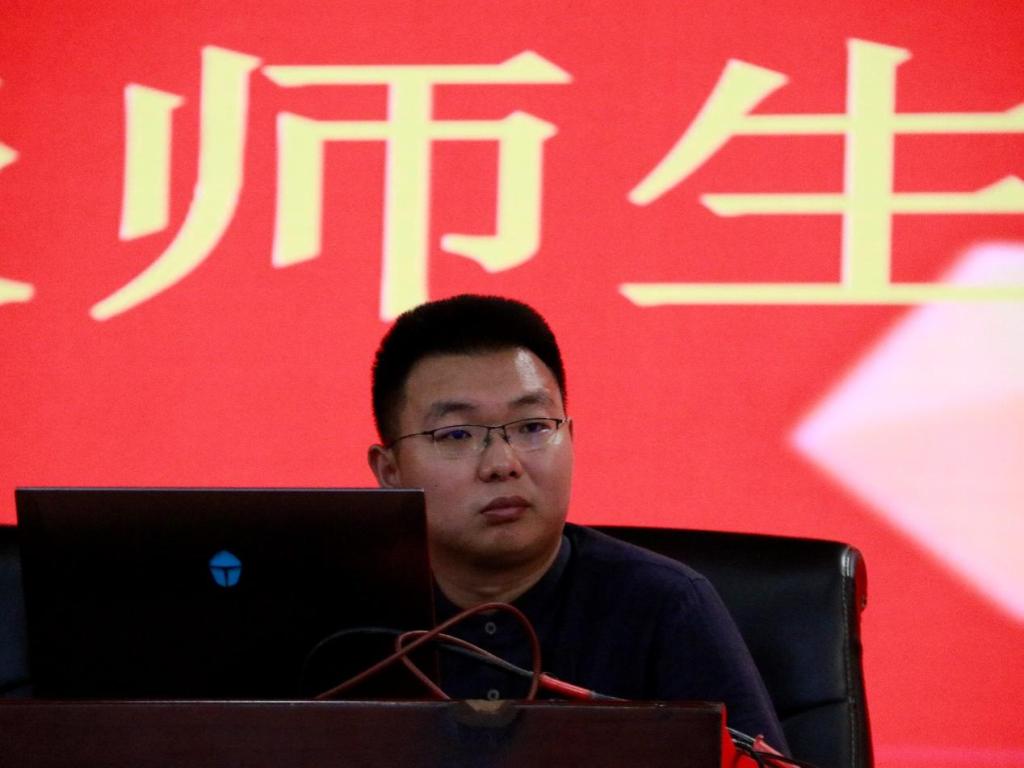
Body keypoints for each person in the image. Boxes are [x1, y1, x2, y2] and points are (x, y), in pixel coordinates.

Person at [368, 294, 787, 748]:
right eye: (456, 434)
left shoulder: (666, 607)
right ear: (390, 471)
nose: (502, 464)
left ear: (570, 437)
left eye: (532, 427)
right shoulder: (338, 621)